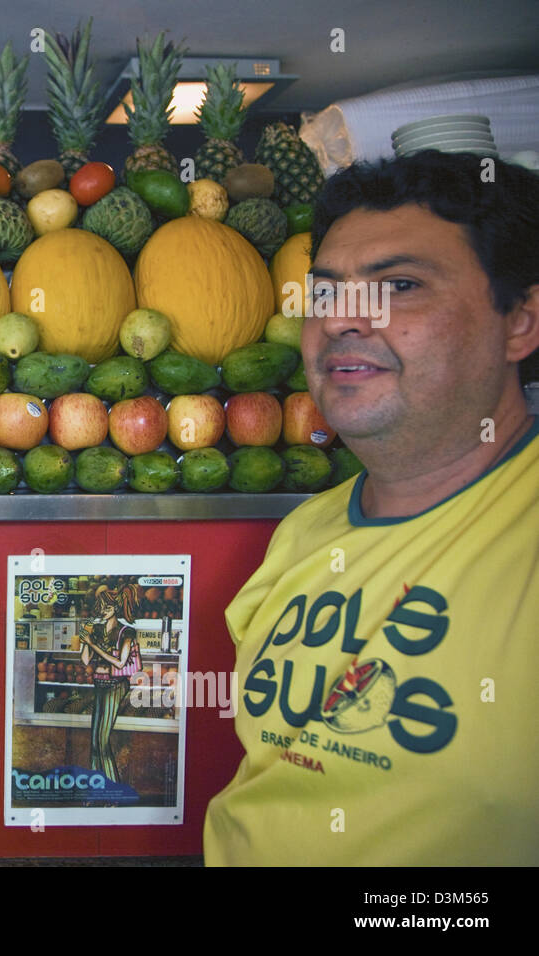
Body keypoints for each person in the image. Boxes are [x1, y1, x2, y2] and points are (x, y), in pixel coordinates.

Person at [204, 150, 539, 865]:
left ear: (520, 322)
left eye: (400, 286)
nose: (344, 322)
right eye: (325, 295)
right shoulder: (303, 535)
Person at [78, 581, 142, 782]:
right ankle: (97, 789)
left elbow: (120, 663)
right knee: (95, 742)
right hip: (99, 683)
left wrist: (93, 645)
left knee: (103, 741)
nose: (104, 611)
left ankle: (113, 791)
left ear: (116, 608)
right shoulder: (96, 630)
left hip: (116, 685)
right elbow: (85, 660)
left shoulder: (126, 632)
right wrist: (85, 641)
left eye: (108, 607)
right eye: (101, 607)